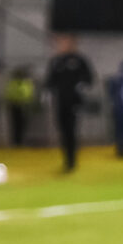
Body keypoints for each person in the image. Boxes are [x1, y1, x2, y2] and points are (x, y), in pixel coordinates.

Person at [44, 34, 93, 171]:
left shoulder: (79, 60)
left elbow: (89, 78)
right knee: (62, 129)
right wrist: (47, 93)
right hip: (59, 101)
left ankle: (72, 160)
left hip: (74, 101)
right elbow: (50, 80)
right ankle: (66, 159)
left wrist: (81, 86)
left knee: (71, 130)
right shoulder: (55, 61)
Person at [3, 66, 35, 146]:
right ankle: (16, 141)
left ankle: (20, 141)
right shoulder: (14, 83)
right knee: (16, 124)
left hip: (23, 106)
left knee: (23, 125)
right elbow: (9, 94)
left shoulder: (26, 83)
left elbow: (29, 94)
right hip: (15, 106)